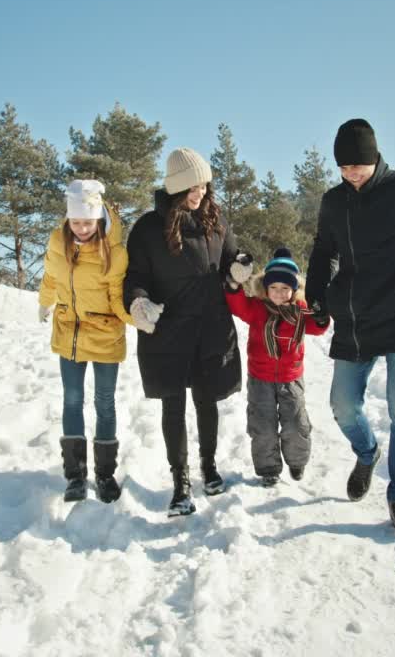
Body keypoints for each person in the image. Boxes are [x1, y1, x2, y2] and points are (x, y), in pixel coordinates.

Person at [304, 118, 395, 536]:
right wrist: (316, 296)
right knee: (343, 404)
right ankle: (367, 451)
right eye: (344, 166)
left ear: (374, 158)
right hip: (355, 314)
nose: (351, 172)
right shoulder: (334, 201)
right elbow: (323, 252)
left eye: (358, 165)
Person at [124, 147, 242, 517]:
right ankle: (181, 483)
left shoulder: (216, 220)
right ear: (176, 188)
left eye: (204, 185)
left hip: (210, 327)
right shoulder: (147, 228)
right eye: (193, 187)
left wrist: (238, 272)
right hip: (168, 331)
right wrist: (139, 303)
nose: (200, 193)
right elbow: (136, 278)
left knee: (207, 401)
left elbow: (230, 262)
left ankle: (209, 467)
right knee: (173, 406)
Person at [38, 179, 132, 503]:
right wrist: (44, 301)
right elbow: (51, 277)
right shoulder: (57, 243)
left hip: (105, 336)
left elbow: (118, 297)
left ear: (99, 219)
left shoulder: (113, 251)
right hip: (69, 335)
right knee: (71, 401)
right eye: (76, 222)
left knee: (104, 403)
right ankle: (75, 476)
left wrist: (138, 317)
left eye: (87, 222)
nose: (81, 228)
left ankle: (105, 475)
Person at [224, 247, 328, 487]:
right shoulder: (257, 307)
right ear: (265, 288)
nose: (279, 294)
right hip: (260, 377)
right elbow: (237, 305)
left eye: (285, 288)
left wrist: (322, 317)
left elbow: (317, 327)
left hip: (291, 377)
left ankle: (297, 460)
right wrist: (233, 285)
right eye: (274, 288)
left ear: (294, 289)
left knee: (295, 422)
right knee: (262, 425)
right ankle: (268, 467)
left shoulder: (300, 311)